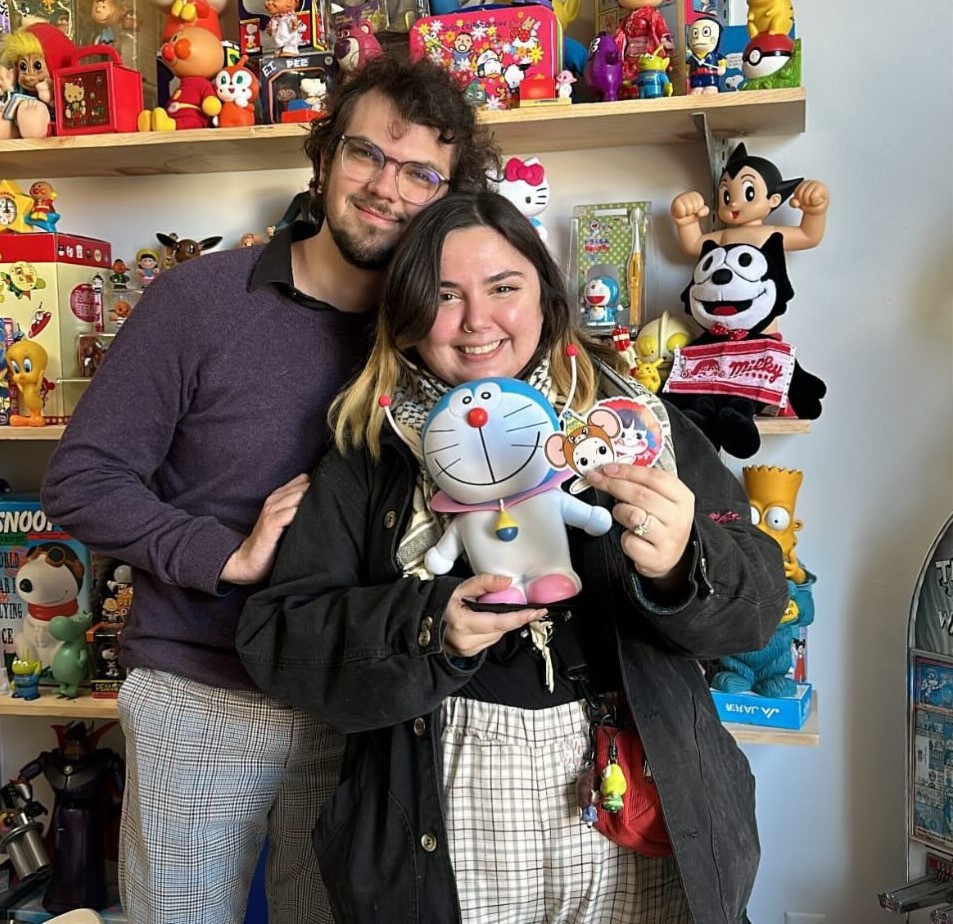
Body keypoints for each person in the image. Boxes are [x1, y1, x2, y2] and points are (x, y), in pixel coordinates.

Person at [236, 191, 791, 924]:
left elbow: (757, 608)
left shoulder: (634, 423)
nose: (476, 322)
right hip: (445, 804)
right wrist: (430, 625)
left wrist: (686, 562)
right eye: (442, 296)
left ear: (544, 297)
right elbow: (280, 638)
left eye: (503, 288)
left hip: (640, 785)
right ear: (404, 316)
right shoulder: (372, 449)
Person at [40, 55, 500, 924]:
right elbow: (81, 480)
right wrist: (226, 555)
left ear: (447, 193)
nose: (385, 189)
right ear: (324, 157)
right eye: (365, 155)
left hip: (358, 701)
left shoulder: (443, 336)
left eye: (419, 173)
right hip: (199, 695)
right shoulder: (199, 302)